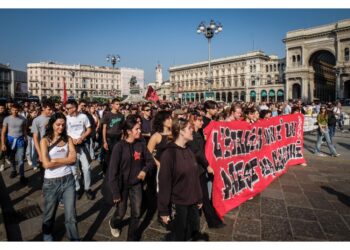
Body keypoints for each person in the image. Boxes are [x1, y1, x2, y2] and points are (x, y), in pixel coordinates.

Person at [108, 115, 155, 240]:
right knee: (121, 213)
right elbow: (112, 172)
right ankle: (113, 223)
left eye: (139, 129)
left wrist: (144, 170)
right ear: (129, 131)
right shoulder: (119, 147)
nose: (140, 131)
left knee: (137, 212)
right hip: (122, 185)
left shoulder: (141, 144)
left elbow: (150, 161)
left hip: (136, 184)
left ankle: (131, 238)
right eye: (137, 129)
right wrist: (115, 192)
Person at [158, 118, 203, 241]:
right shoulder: (169, 154)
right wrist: (163, 210)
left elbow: (195, 177)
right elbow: (164, 184)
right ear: (181, 132)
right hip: (178, 204)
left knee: (192, 234)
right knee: (179, 237)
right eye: (189, 128)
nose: (192, 130)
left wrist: (199, 197)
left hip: (193, 203)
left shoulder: (189, 150)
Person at [40, 112, 79, 241]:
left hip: (68, 179)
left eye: (63, 125)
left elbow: (73, 159)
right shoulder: (45, 140)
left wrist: (55, 161)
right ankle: (47, 233)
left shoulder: (68, 139)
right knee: (49, 212)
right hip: (51, 182)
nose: (61, 127)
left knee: (71, 215)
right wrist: (64, 159)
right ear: (52, 124)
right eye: (58, 124)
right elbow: (46, 164)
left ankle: (74, 239)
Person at [188, 111, 224, 229]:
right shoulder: (191, 134)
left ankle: (211, 220)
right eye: (199, 120)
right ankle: (212, 221)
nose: (202, 122)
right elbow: (198, 153)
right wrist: (208, 165)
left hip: (199, 168)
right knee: (202, 195)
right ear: (193, 121)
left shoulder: (197, 132)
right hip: (196, 169)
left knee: (201, 195)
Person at [65, 100, 93, 200]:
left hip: (82, 145)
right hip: (72, 146)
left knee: (87, 168)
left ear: (74, 108)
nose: (67, 110)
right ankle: (77, 188)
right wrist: (71, 140)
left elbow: (89, 129)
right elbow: (65, 132)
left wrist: (82, 137)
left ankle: (87, 188)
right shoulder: (66, 118)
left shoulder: (83, 117)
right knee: (74, 170)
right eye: (66, 108)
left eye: (68, 108)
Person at [1, 103, 27, 184]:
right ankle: (13, 170)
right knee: (11, 158)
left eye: (16, 110)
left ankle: (22, 176)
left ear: (19, 110)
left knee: (21, 159)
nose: (15, 111)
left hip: (20, 141)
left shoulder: (23, 119)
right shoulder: (7, 119)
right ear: (11, 110)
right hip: (10, 141)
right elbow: (3, 132)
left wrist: (26, 138)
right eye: (13, 110)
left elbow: (24, 130)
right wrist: (3, 144)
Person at [32, 101, 54, 183]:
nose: (51, 111)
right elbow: (35, 138)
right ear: (43, 108)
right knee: (44, 170)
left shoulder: (53, 118)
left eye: (52, 109)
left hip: (53, 147)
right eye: (49, 109)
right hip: (43, 148)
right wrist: (40, 153)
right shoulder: (36, 120)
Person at [102, 98, 124, 173]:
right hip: (109, 138)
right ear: (112, 105)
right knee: (108, 157)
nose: (118, 106)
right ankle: (107, 172)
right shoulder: (107, 115)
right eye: (117, 104)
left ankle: (115, 171)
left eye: (119, 104)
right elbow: (104, 128)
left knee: (117, 156)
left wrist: (122, 138)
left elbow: (122, 128)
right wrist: (104, 141)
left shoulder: (121, 115)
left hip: (118, 138)